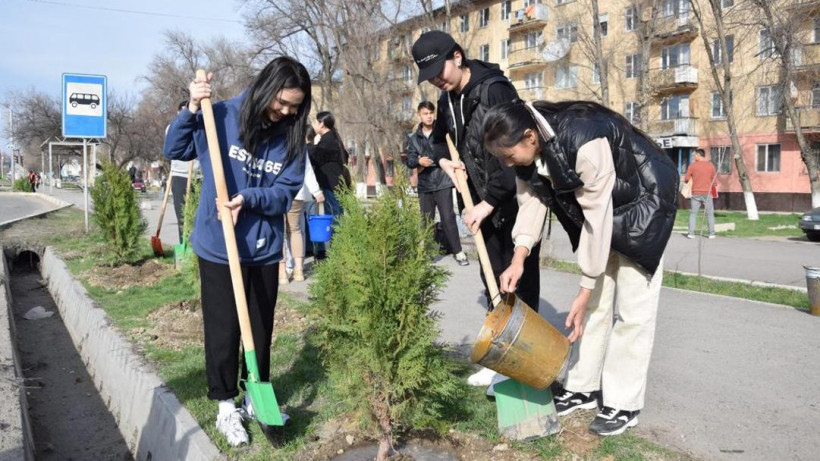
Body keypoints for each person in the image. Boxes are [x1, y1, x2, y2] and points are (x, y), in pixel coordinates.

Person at [482, 100, 678, 436]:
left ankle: (623, 403)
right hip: (603, 211)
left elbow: (599, 215)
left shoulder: (583, 142)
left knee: (632, 311)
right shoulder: (528, 155)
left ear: (530, 137)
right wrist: (518, 258)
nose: (505, 162)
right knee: (592, 309)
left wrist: (586, 284)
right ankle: (583, 386)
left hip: (644, 204)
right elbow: (531, 201)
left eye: (507, 155)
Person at [163, 56, 311, 447]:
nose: (285, 112)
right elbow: (175, 148)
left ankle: (255, 396)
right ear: (266, 87)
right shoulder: (221, 114)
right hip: (218, 246)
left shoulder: (292, 137)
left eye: (295, 106)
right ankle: (225, 404)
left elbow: (285, 192)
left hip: (261, 248)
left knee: (260, 328)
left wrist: (249, 197)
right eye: (281, 102)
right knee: (224, 327)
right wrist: (193, 108)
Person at [411, 30, 541, 387]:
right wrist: (444, 162)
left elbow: (513, 154)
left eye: (440, 68)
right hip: (475, 203)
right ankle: (500, 357)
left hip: (509, 201)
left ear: (457, 56)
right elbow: (439, 141)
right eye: (430, 75)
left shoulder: (494, 89)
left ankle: (526, 360)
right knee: (492, 279)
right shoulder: (446, 99)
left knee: (519, 282)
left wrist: (490, 201)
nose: (437, 78)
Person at [405, 101, 468, 266]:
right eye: (425, 113)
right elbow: (409, 160)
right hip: (425, 184)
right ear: (419, 115)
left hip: (442, 180)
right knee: (426, 220)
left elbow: (445, 153)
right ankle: (425, 254)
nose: (429, 116)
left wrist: (428, 162)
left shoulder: (442, 133)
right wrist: (418, 160)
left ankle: (458, 252)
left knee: (448, 218)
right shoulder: (413, 138)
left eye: (431, 113)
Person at [280, 127, 324, 284]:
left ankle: (283, 272)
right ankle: (299, 270)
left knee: (280, 232)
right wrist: (316, 191)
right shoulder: (300, 146)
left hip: (277, 193)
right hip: (297, 193)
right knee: (295, 230)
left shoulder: (273, 143)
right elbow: (307, 170)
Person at [308, 111, 349, 260]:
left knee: (334, 217)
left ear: (321, 124)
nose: (313, 125)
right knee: (334, 216)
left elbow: (314, 156)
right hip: (335, 184)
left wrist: (309, 143)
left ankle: (335, 251)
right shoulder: (333, 138)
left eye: (315, 122)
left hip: (331, 185)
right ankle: (333, 250)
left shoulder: (327, 140)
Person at [168, 100, 200, 244]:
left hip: (198, 177)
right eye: (182, 110)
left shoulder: (200, 128)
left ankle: (197, 247)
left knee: (198, 216)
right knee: (182, 215)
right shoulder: (172, 128)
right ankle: (184, 244)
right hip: (180, 176)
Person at [684, 148, 717, 239]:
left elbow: (686, 179)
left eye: (694, 155)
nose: (694, 157)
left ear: (698, 155)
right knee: (710, 214)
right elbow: (714, 182)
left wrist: (689, 179)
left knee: (693, 213)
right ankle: (711, 234)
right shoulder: (711, 166)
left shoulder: (692, 166)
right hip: (707, 193)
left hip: (696, 193)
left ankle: (691, 233)